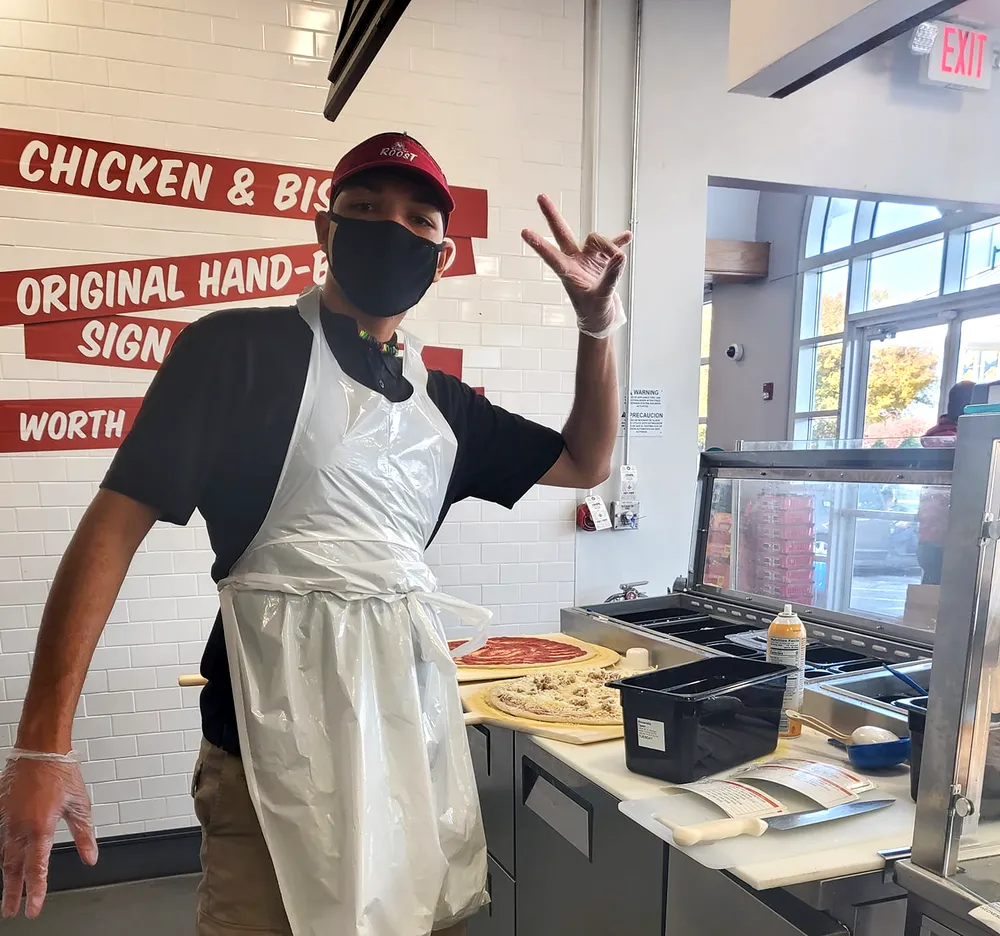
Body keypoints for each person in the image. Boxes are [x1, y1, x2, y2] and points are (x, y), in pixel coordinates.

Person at [0, 132, 630, 936]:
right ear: (323, 229)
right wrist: (41, 747)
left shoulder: (445, 408)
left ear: (440, 257)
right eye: (364, 208)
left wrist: (597, 326)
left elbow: (585, 459)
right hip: (264, 761)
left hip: (411, 748)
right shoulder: (233, 353)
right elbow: (109, 533)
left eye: (417, 218)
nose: (389, 227)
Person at [916, 380, 974, 584]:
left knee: (929, 597)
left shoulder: (937, 437)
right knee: (945, 600)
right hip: (950, 538)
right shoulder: (961, 442)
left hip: (930, 536)